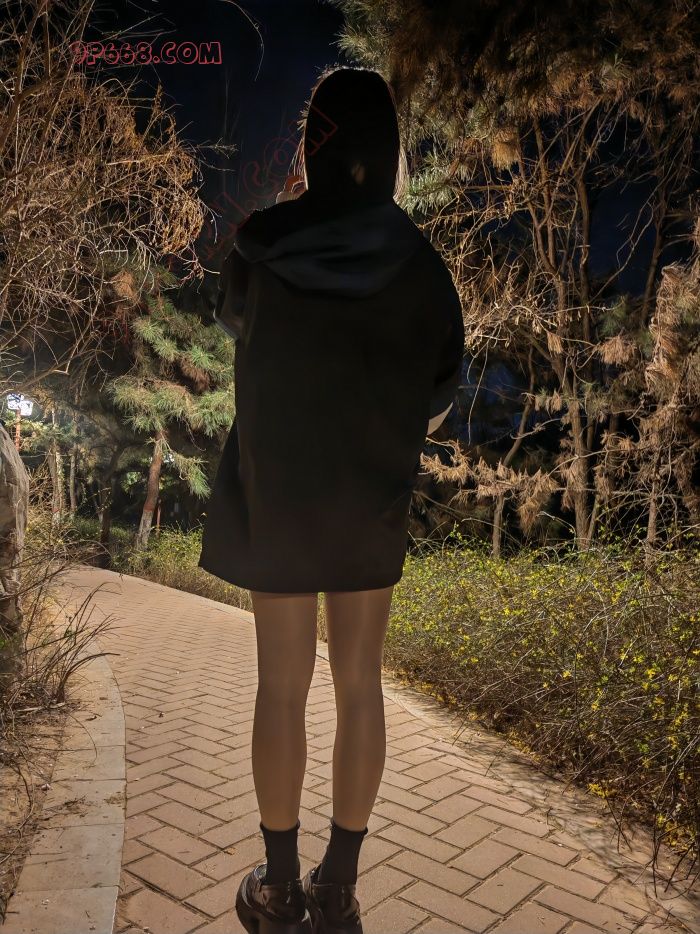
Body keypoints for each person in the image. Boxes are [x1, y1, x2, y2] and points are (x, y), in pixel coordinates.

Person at [198, 65, 465, 934]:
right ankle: (338, 888)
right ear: (389, 150)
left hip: (278, 487)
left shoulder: (261, 243)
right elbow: (437, 397)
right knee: (359, 684)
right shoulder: (422, 265)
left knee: (281, 684)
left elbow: (234, 322)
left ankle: (278, 890)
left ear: (313, 145)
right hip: (369, 490)